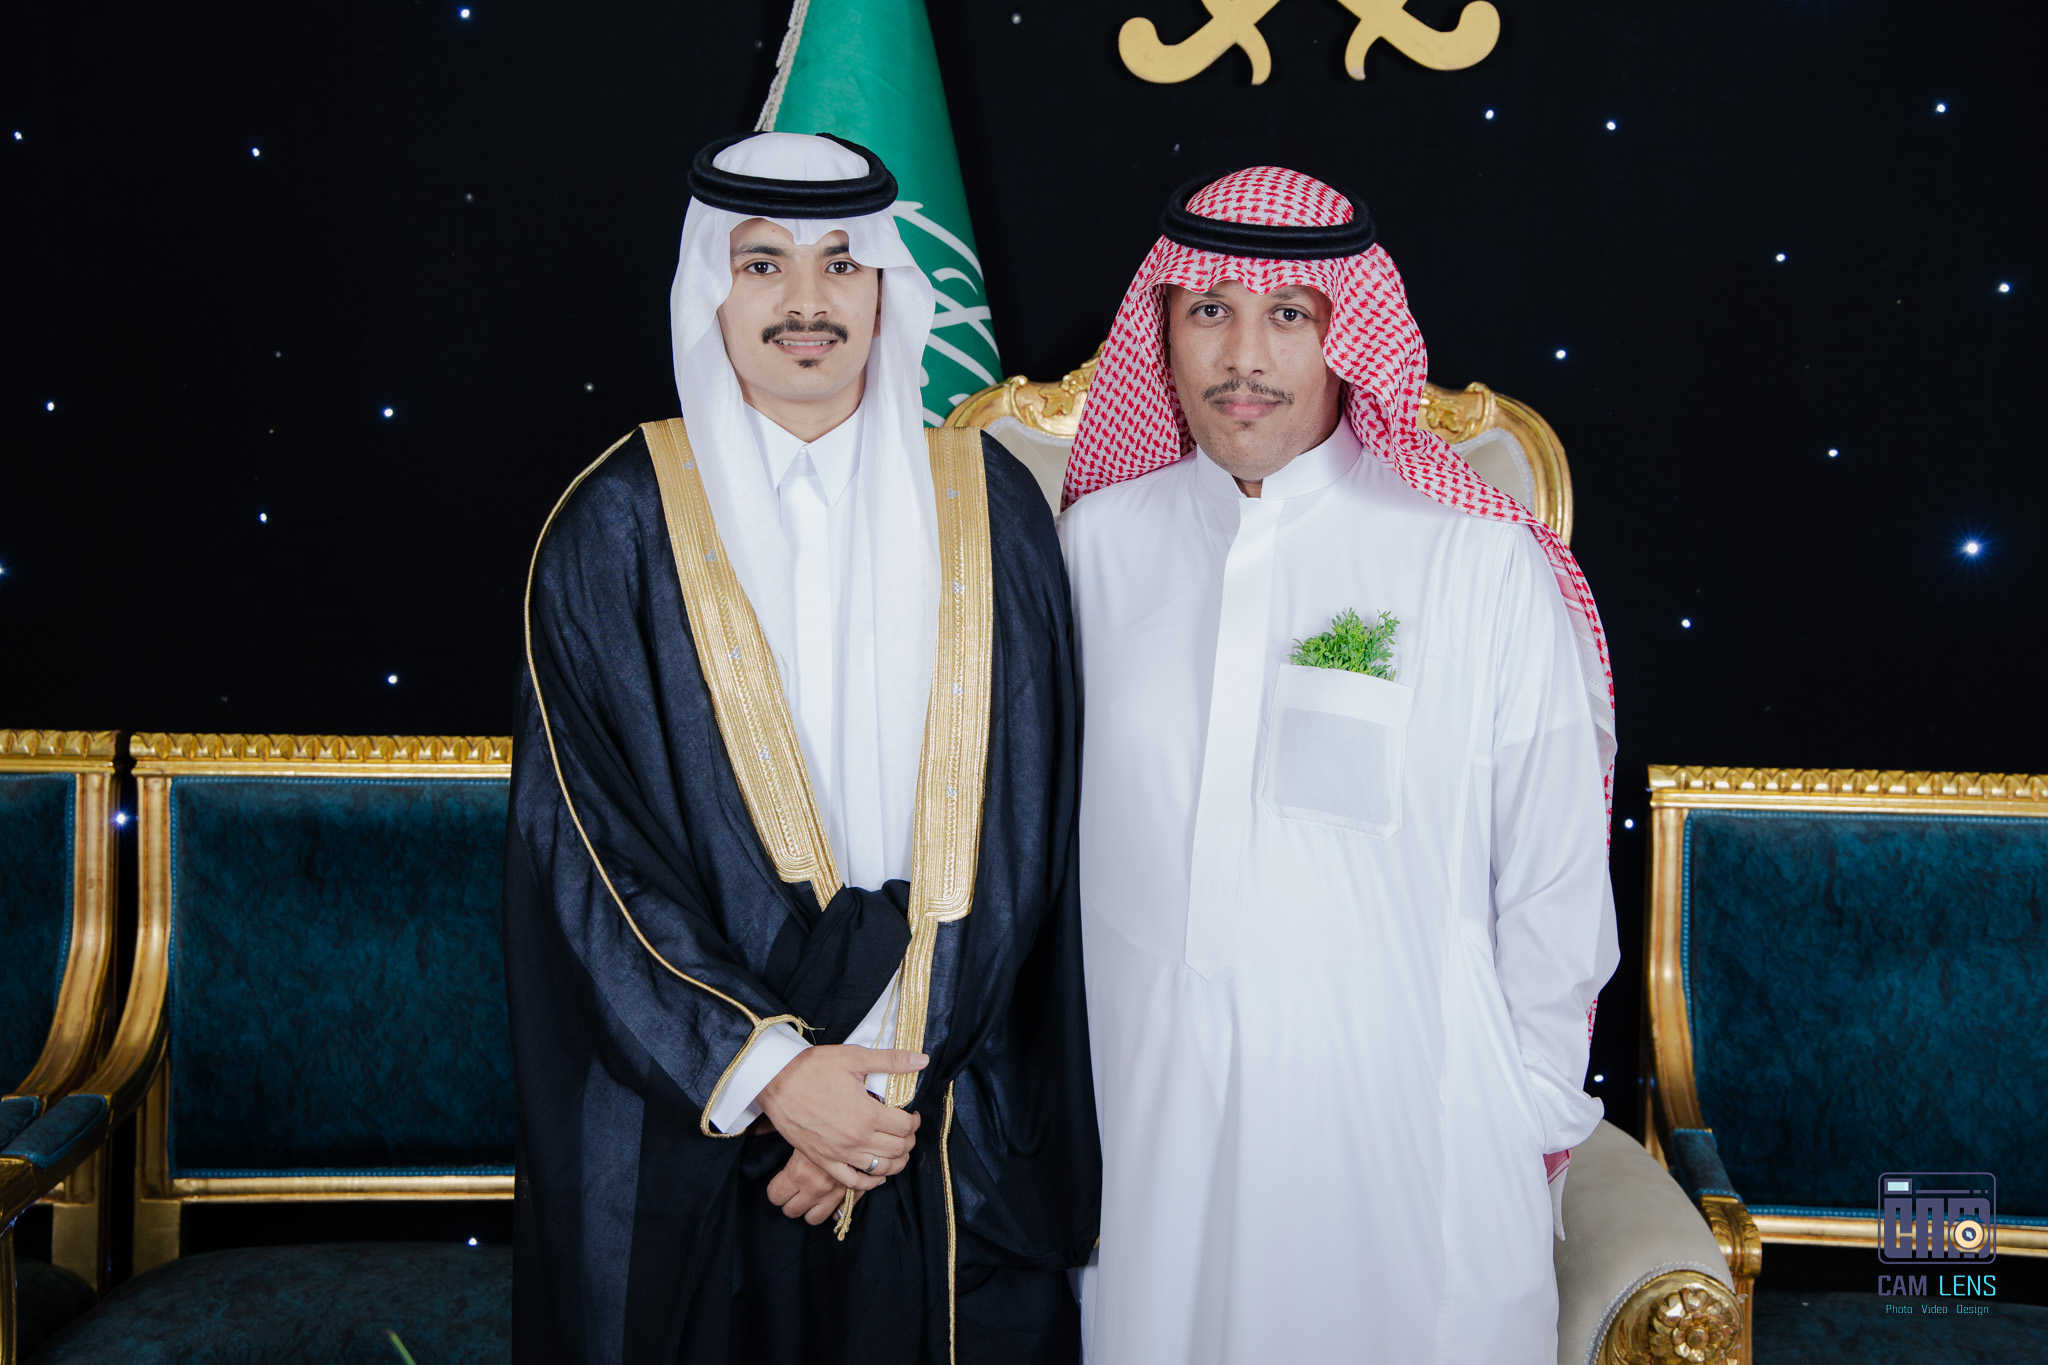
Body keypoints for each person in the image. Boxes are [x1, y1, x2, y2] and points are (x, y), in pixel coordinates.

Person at [505, 131, 1098, 1365]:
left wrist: (874, 1096)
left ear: (887, 288)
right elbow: (586, 854)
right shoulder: (614, 522)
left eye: (841, 263)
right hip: (701, 1111)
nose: (806, 303)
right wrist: (774, 1074)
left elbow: (1026, 825)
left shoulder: (990, 506)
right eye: (762, 264)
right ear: (709, 290)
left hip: (936, 1110)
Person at [1057, 166, 1619, 1363]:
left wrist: (1512, 1110)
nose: (1242, 357)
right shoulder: (1092, 547)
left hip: (1412, 1136)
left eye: (1287, 316)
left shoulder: (1473, 560)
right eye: (1208, 311)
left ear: (1347, 336)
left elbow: (1555, 878)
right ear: (1160, 331)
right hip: (1147, 1130)